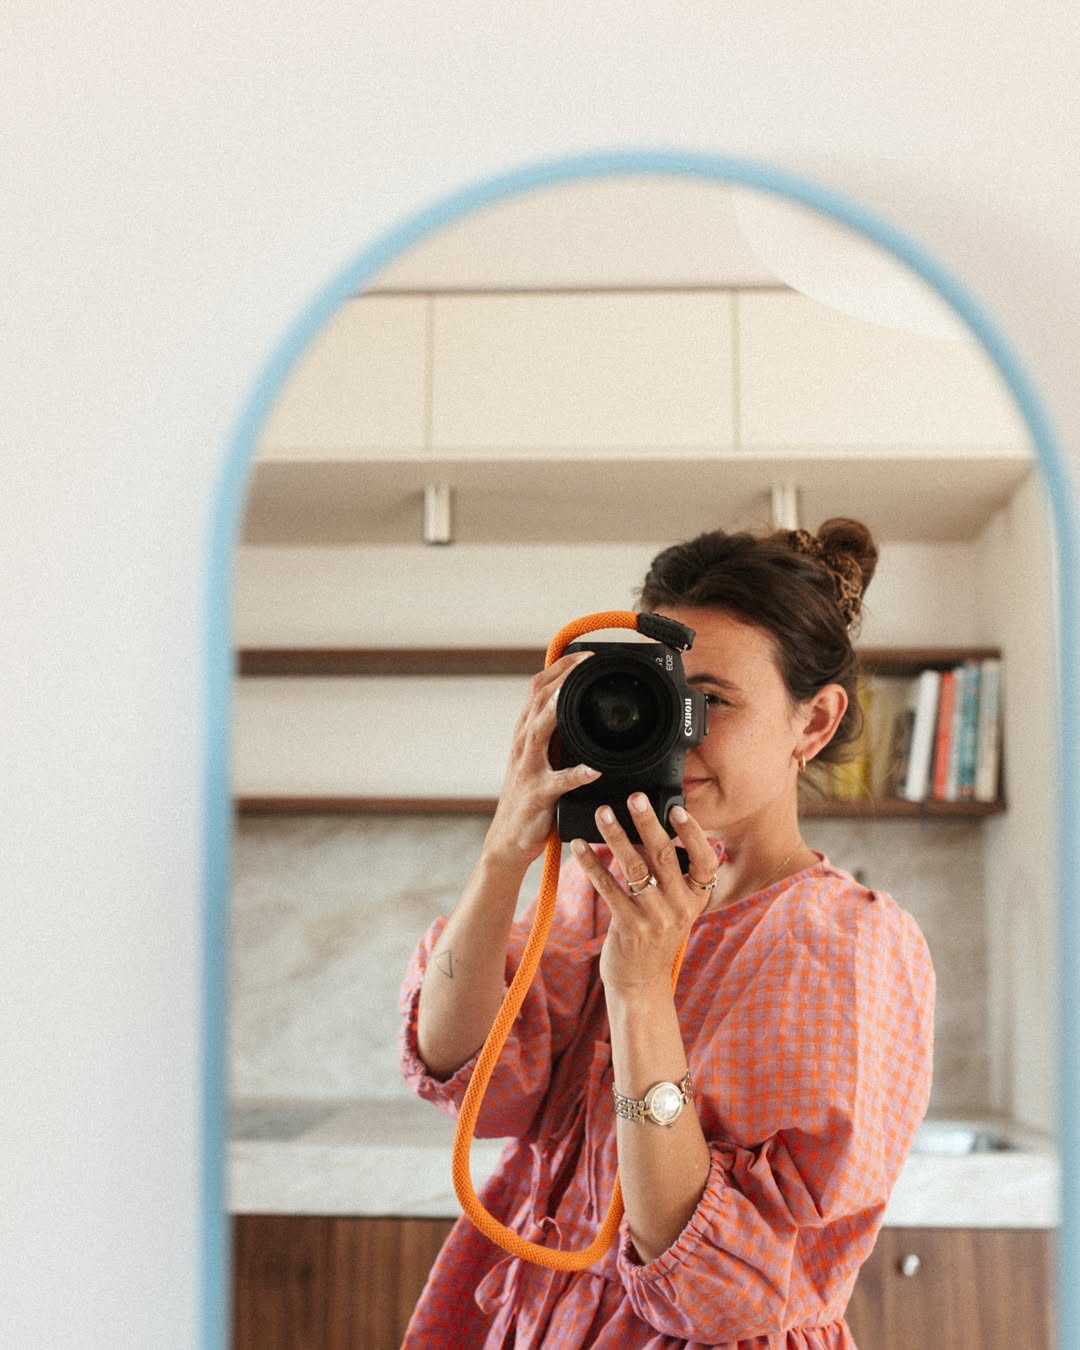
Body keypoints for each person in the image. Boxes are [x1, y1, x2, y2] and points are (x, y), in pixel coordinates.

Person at [399, 518, 935, 1349]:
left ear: (814, 723)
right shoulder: (598, 887)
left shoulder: (844, 946)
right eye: (656, 695)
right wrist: (507, 847)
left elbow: (715, 1293)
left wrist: (641, 990)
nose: (672, 730)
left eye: (711, 701)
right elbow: (472, 1081)